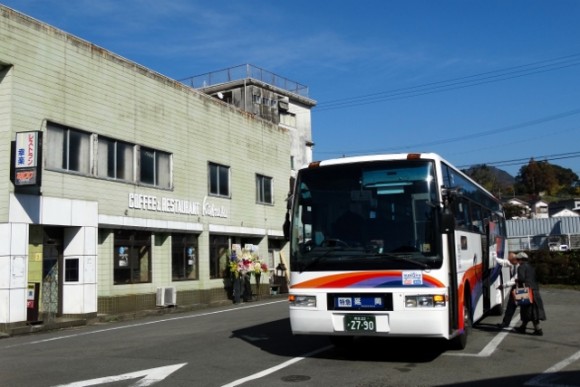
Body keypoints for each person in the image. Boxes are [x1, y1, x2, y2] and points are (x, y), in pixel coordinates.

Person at [514, 252, 547, 336]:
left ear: (521, 260)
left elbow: (521, 278)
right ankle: (523, 327)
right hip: (535, 290)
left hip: (527, 290)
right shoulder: (531, 267)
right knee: (530, 310)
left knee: (529, 310)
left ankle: (538, 329)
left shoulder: (521, 267)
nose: (517, 261)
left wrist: (517, 281)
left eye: (518, 259)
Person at [495, 251, 519, 329]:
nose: (509, 262)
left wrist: (503, 285)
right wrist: (494, 258)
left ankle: (536, 327)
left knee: (526, 308)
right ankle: (505, 323)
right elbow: (504, 263)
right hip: (516, 288)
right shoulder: (513, 264)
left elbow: (514, 280)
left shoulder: (520, 267)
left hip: (521, 288)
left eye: (510, 260)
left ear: (514, 259)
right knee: (510, 307)